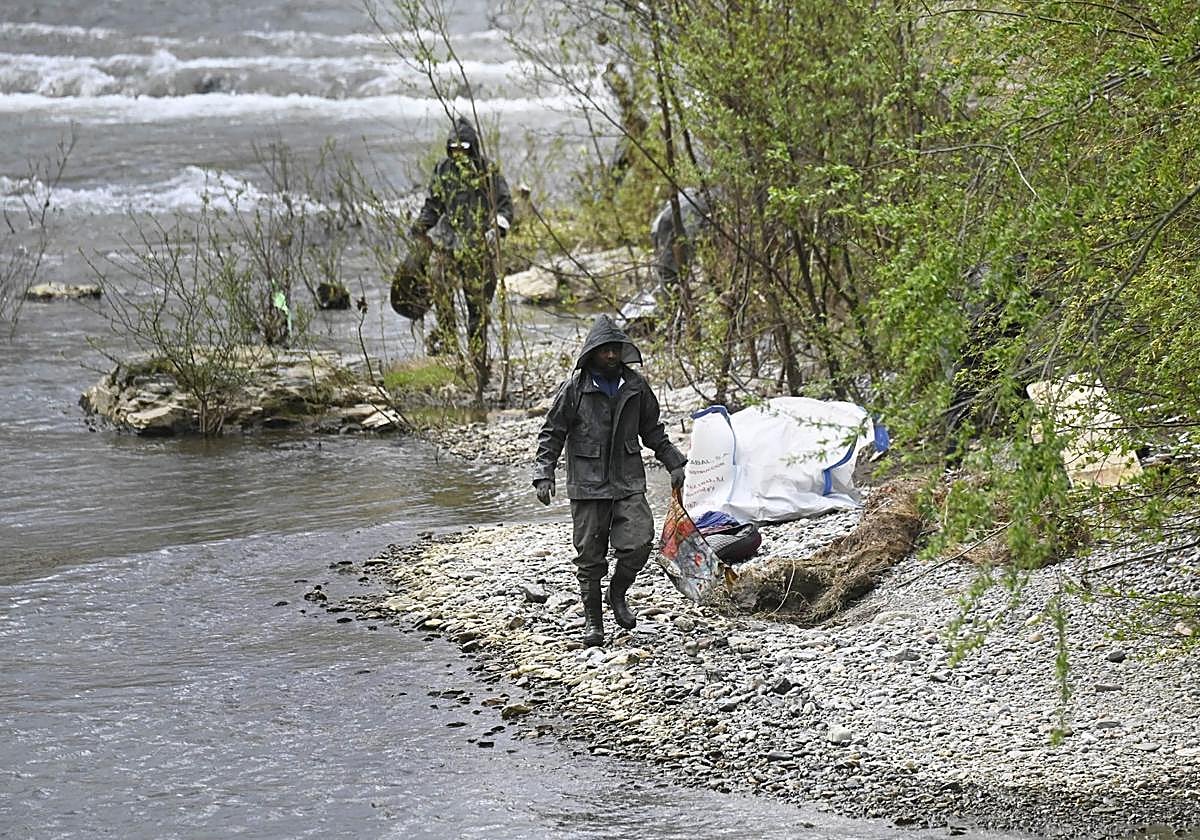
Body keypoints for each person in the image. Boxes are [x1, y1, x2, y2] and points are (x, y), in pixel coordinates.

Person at [532, 315, 687, 647]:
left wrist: (674, 461)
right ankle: (593, 623)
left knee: (640, 543)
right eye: (605, 352)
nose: (612, 357)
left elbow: (653, 430)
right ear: (593, 354)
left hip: (628, 481)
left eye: (616, 350)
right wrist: (543, 473)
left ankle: (617, 593)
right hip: (587, 486)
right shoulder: (574, 388)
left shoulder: (636, 386)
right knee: (590, 557)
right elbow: (552, 433)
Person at [410, 116, 514, 393]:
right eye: (454, 150)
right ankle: (451, 355)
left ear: (473, 148)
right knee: (441, 294)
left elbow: (505, 205)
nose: (458, 155)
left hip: (477, 248)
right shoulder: (443, 169)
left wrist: (497, 229)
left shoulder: (487, 170)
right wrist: (421, 226)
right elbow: (433, 204)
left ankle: (479, 366)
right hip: (447, 244)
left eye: (463, 150)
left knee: (477, 309)